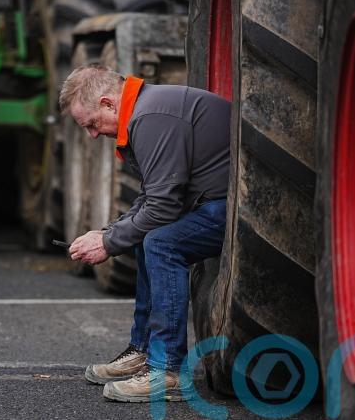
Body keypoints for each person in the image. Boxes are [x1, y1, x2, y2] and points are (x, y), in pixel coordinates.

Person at [61, 64, 231, 402]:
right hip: (214, 201)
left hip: (234, 205)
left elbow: (164, 207)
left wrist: (108, 243)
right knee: (147, 237)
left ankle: (167, 372)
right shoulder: (146, 110)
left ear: (109, 104)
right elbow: (154, 198)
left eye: (92, 124)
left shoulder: (149, 117)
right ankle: (142, 350)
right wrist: (110, 232)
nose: (93, 135)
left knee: (161, 243)